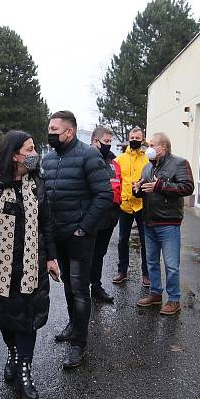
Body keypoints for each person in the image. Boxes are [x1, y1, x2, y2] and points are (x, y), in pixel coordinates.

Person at [0, 131, 59, 399]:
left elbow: (46, 225)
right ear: (14, 154)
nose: (34, 154)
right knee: (6, 316)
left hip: (32, 263)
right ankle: (13, 352)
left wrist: (51, 257)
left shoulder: (37, 182)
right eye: (29, 149)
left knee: (29, 316)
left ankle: (25, 370)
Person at [41, 110, 113, 368]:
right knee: (69, 286)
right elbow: (46, 197)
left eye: (55, 130)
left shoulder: (89, 155)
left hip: (80, 237)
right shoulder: (48, 160)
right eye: (49, 129)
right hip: (58, 235)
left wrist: (84, 228)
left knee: (81, 289)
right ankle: (74, 325)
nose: (50, 134)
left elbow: (104, 195)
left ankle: (78, 344)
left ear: (69, 131)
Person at [133, 133, 195, 315]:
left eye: (152, 145)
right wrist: (137, 189)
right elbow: (144, 190)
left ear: (164, 148)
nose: (148, 148)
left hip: (168, 223)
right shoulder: (147, 167)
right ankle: (155, 293)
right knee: (151, 262)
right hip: (149, 221)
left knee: (171, 264)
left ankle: (174, 299)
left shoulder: (179, 163)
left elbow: (187, 187)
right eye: (148, 145)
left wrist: (160, 186)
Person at [88, 125, 121, 304]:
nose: (109, 145)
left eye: (110, 141)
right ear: (95, 141)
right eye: (106, 141)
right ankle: (82, 289)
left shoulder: (113, 163)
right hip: (91, 217)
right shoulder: (85, 158)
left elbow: (117, 186)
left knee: (99, 254)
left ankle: (96, 287)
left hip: (109, 217)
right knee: (87, 254)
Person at [113, 126, 150, 286]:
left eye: (137, 138)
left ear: (143, 140)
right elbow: (115, 181)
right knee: (122, 240)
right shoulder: (119, 159)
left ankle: (146, 274)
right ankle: (122, 271)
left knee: (145, 241)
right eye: (132, 138)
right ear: (129, 138)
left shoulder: (148, 159)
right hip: (125, 205)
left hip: (143, 205)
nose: (134, 140)